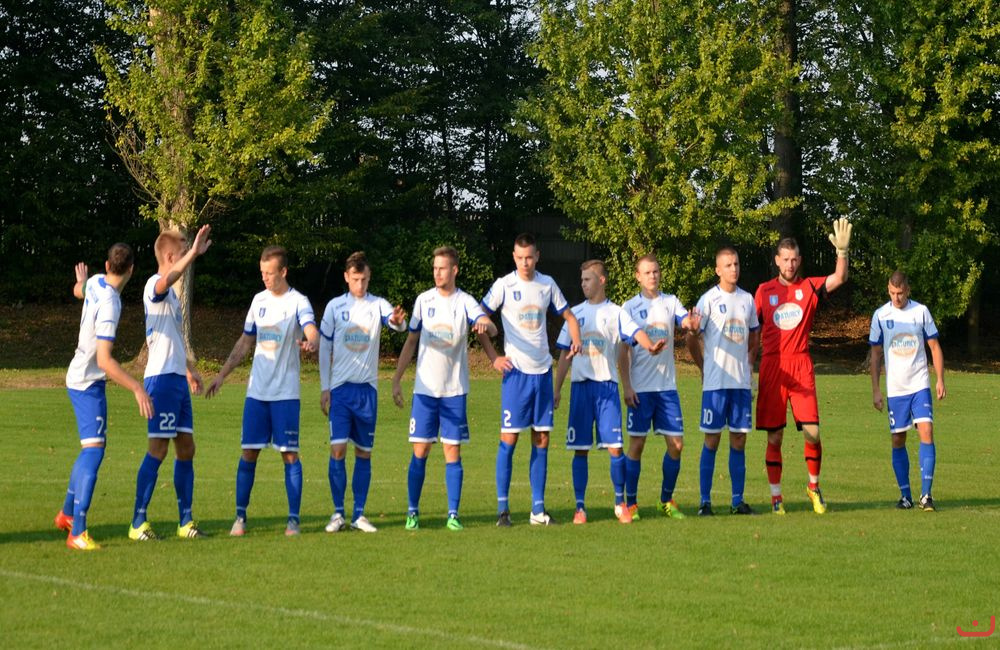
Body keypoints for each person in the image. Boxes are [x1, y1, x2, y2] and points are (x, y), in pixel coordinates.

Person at [206, 246, 319, 537]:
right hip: (257, 393)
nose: (265, 278)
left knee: (289, 455)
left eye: (269, 273)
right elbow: (245, 341)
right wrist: (222, 375)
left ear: (284, 271)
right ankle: (240, 518)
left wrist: (311, 342)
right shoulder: (258, 301)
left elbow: (311, 330)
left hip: (285, 394)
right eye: (262, 273)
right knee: (249, 452)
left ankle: (293, 521)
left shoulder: (298, 302)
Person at [391, 247, 497, 531]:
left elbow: (489, 327)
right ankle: (412, 513)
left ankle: (453, 515)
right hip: (425, 392)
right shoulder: (423, 300)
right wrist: (397, 379)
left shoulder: (465, 302)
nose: (437, 273)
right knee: (420, 450)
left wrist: (485, 325)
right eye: (435, 268)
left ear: (454, 270)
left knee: (452, 451)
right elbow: (411, 341)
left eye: (442, 268)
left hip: (454, 391)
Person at [56, 243, 154, 550]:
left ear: (108, 265)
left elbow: (78, 291)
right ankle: (78, 533)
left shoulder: (97, 281)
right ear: (131, 270)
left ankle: (67, 515)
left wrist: (80, 282)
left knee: (91, 448)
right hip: (88, 381)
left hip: (78, 375)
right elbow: (104, 360)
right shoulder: (111, 304)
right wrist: (137, 387)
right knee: (94, 451)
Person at [480, 233, 581, 526]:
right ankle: (503, 510)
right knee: (509, 439)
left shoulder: (547, 284)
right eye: (520, 257)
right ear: (514, 257)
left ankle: (538, 511)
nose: (525, 262)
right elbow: (479, 319)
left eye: (529, 257)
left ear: (537, 256)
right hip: (516, 375)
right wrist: (493, 357)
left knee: (542, 439)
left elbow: (570, 317)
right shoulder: (504, 285)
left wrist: (576, 339)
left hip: (542, 373)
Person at [554, 260, 665, 524]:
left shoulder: (616, 312)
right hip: (580, 388)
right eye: (582, 280)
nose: (583, 284)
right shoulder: (575, 314)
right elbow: (564, 355)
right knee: (580, 449)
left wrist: (650, 346)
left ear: (602, 280)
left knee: (616, 448)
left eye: (588, 279)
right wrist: (556, 389)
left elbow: (635, 332)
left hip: (607, 388)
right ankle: (580, 508)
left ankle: (619, 503)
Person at [753, 218, 852, 514]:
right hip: (772, 367)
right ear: (777, 260)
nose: (790, 264)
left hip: (801, 364)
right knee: (775, 436)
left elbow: (839, 277)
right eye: (785, 259)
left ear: (799, 260)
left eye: (794, 259)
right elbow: (750, 331)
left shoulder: (809, 287)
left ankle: (813, 487)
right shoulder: (763, 291)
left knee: (813, 433)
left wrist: (842, 252)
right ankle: (776, 498)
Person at [127, 225, 212, 541]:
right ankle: (138, 523)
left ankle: (185, 522)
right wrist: (194, 254)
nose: (189, 251)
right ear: (170, 256)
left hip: (176, 380)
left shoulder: (174, 299)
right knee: (158, 449)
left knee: (187, 448)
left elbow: (173, 337)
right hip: (160, 380)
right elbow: (166, 280)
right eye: (184, 249)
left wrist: (189, 369)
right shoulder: (154, 284)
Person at [319, 251, 407, 533]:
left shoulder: (377, 304)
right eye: (356, 279)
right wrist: (324, 387)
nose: (360, 284)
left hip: (367, 391)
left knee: (364, 453)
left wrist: (398, 320)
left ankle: (359, 514)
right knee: (337, 450)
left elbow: (397, 324)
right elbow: (324, 347)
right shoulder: (335, 307)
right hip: (340, 390)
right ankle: (337, 513)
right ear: (347, 277)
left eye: (365, 279)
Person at [619, 254, 699, 520]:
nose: (652, 276)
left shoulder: (670, 301)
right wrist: (627, 386)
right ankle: (631, 504)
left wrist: (691, 324)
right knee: (637, 445)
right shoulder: (629, 307)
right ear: (638, 276)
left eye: (655, 271)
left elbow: (684, 320)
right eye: (647, 272)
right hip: (640, 388)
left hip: (666, 388)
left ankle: (665, 500)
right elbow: (622, 351)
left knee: (676, 445)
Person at [687, 247, 760, 516]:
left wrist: (750, 363)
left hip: (740, 384)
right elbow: (691, 337)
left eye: (736, 264)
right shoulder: (708, 300)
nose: (734, 269)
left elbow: (755, 334)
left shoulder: (747, 300)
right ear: (718, 270)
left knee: (739, 440)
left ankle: (737, 502)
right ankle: (705, 502)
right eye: (728, 265)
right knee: (712, 440)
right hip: (716, 384)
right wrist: (703, 367)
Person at [869, 271, 945, 511]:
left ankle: (926, 495)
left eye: (900, 293)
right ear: (888, 290)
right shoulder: (881, 315)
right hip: (896, 388)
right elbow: (875, 355)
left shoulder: (920, 312)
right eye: (892, 293)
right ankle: (905, 496)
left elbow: (934, 347)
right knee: (898, 439)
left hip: (919, 384)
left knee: (927, 430)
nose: (896, 297)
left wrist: (940, 379)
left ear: (907, 290)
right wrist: (876, 390)